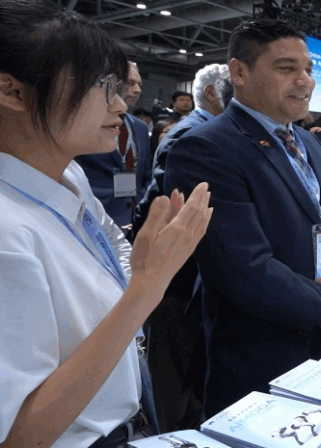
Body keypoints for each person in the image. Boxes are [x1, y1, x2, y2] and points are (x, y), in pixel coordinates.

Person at [0, 0, 212, 448]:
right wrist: (146, 287)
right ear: (11, 91)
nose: (121, 105)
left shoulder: (68, 174)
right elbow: (17, 437)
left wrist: (144, 265)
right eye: (100, 85)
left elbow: (110, 244)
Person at [163, 19, 321, 416]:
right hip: (262, 358)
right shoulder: (205, 149)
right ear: (239, 73)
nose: (305, 81)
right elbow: (245, 268)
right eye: (287, 68)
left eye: (308, 69)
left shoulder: (308, 141)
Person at [134, 62, 232, 430]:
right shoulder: (189, 136)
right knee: (174, 380)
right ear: (212, 93)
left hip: (193, 280)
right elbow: (159, 209)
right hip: (179, 282)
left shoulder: (210, 132)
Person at [75, 61, 154, 229]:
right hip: (94, 216)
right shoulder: (86, 122)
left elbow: (146, 174)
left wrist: (142, 201)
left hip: (135, 215)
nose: (137, 90)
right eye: (130, 83)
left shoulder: (140, 127)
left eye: (139, 85)